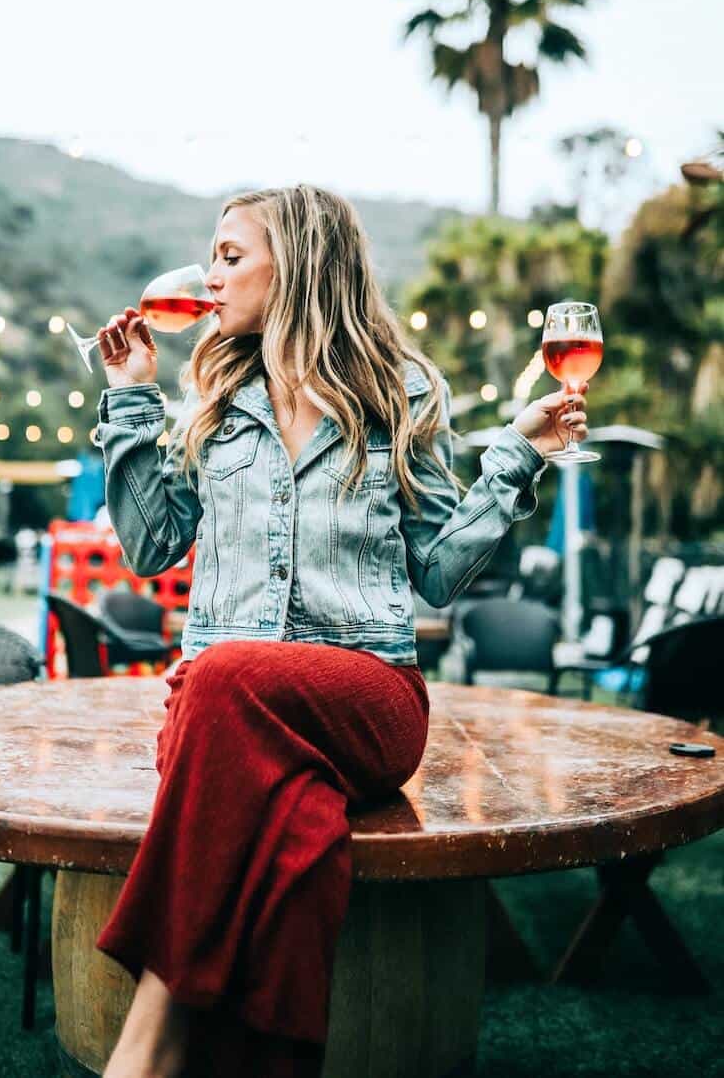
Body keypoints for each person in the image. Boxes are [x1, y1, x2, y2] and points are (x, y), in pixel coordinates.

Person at [93, 185, 589, 1078]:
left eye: (230, 255)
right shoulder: (211, 395)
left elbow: (436, 569)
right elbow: (150, 545)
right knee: (294, 828)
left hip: (366, 694)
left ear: (298, 263)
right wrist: (130, 398)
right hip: (226, 713)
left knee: (218, 677)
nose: (210, 275)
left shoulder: (399, 393)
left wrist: (515, 452)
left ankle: (149, 1036)